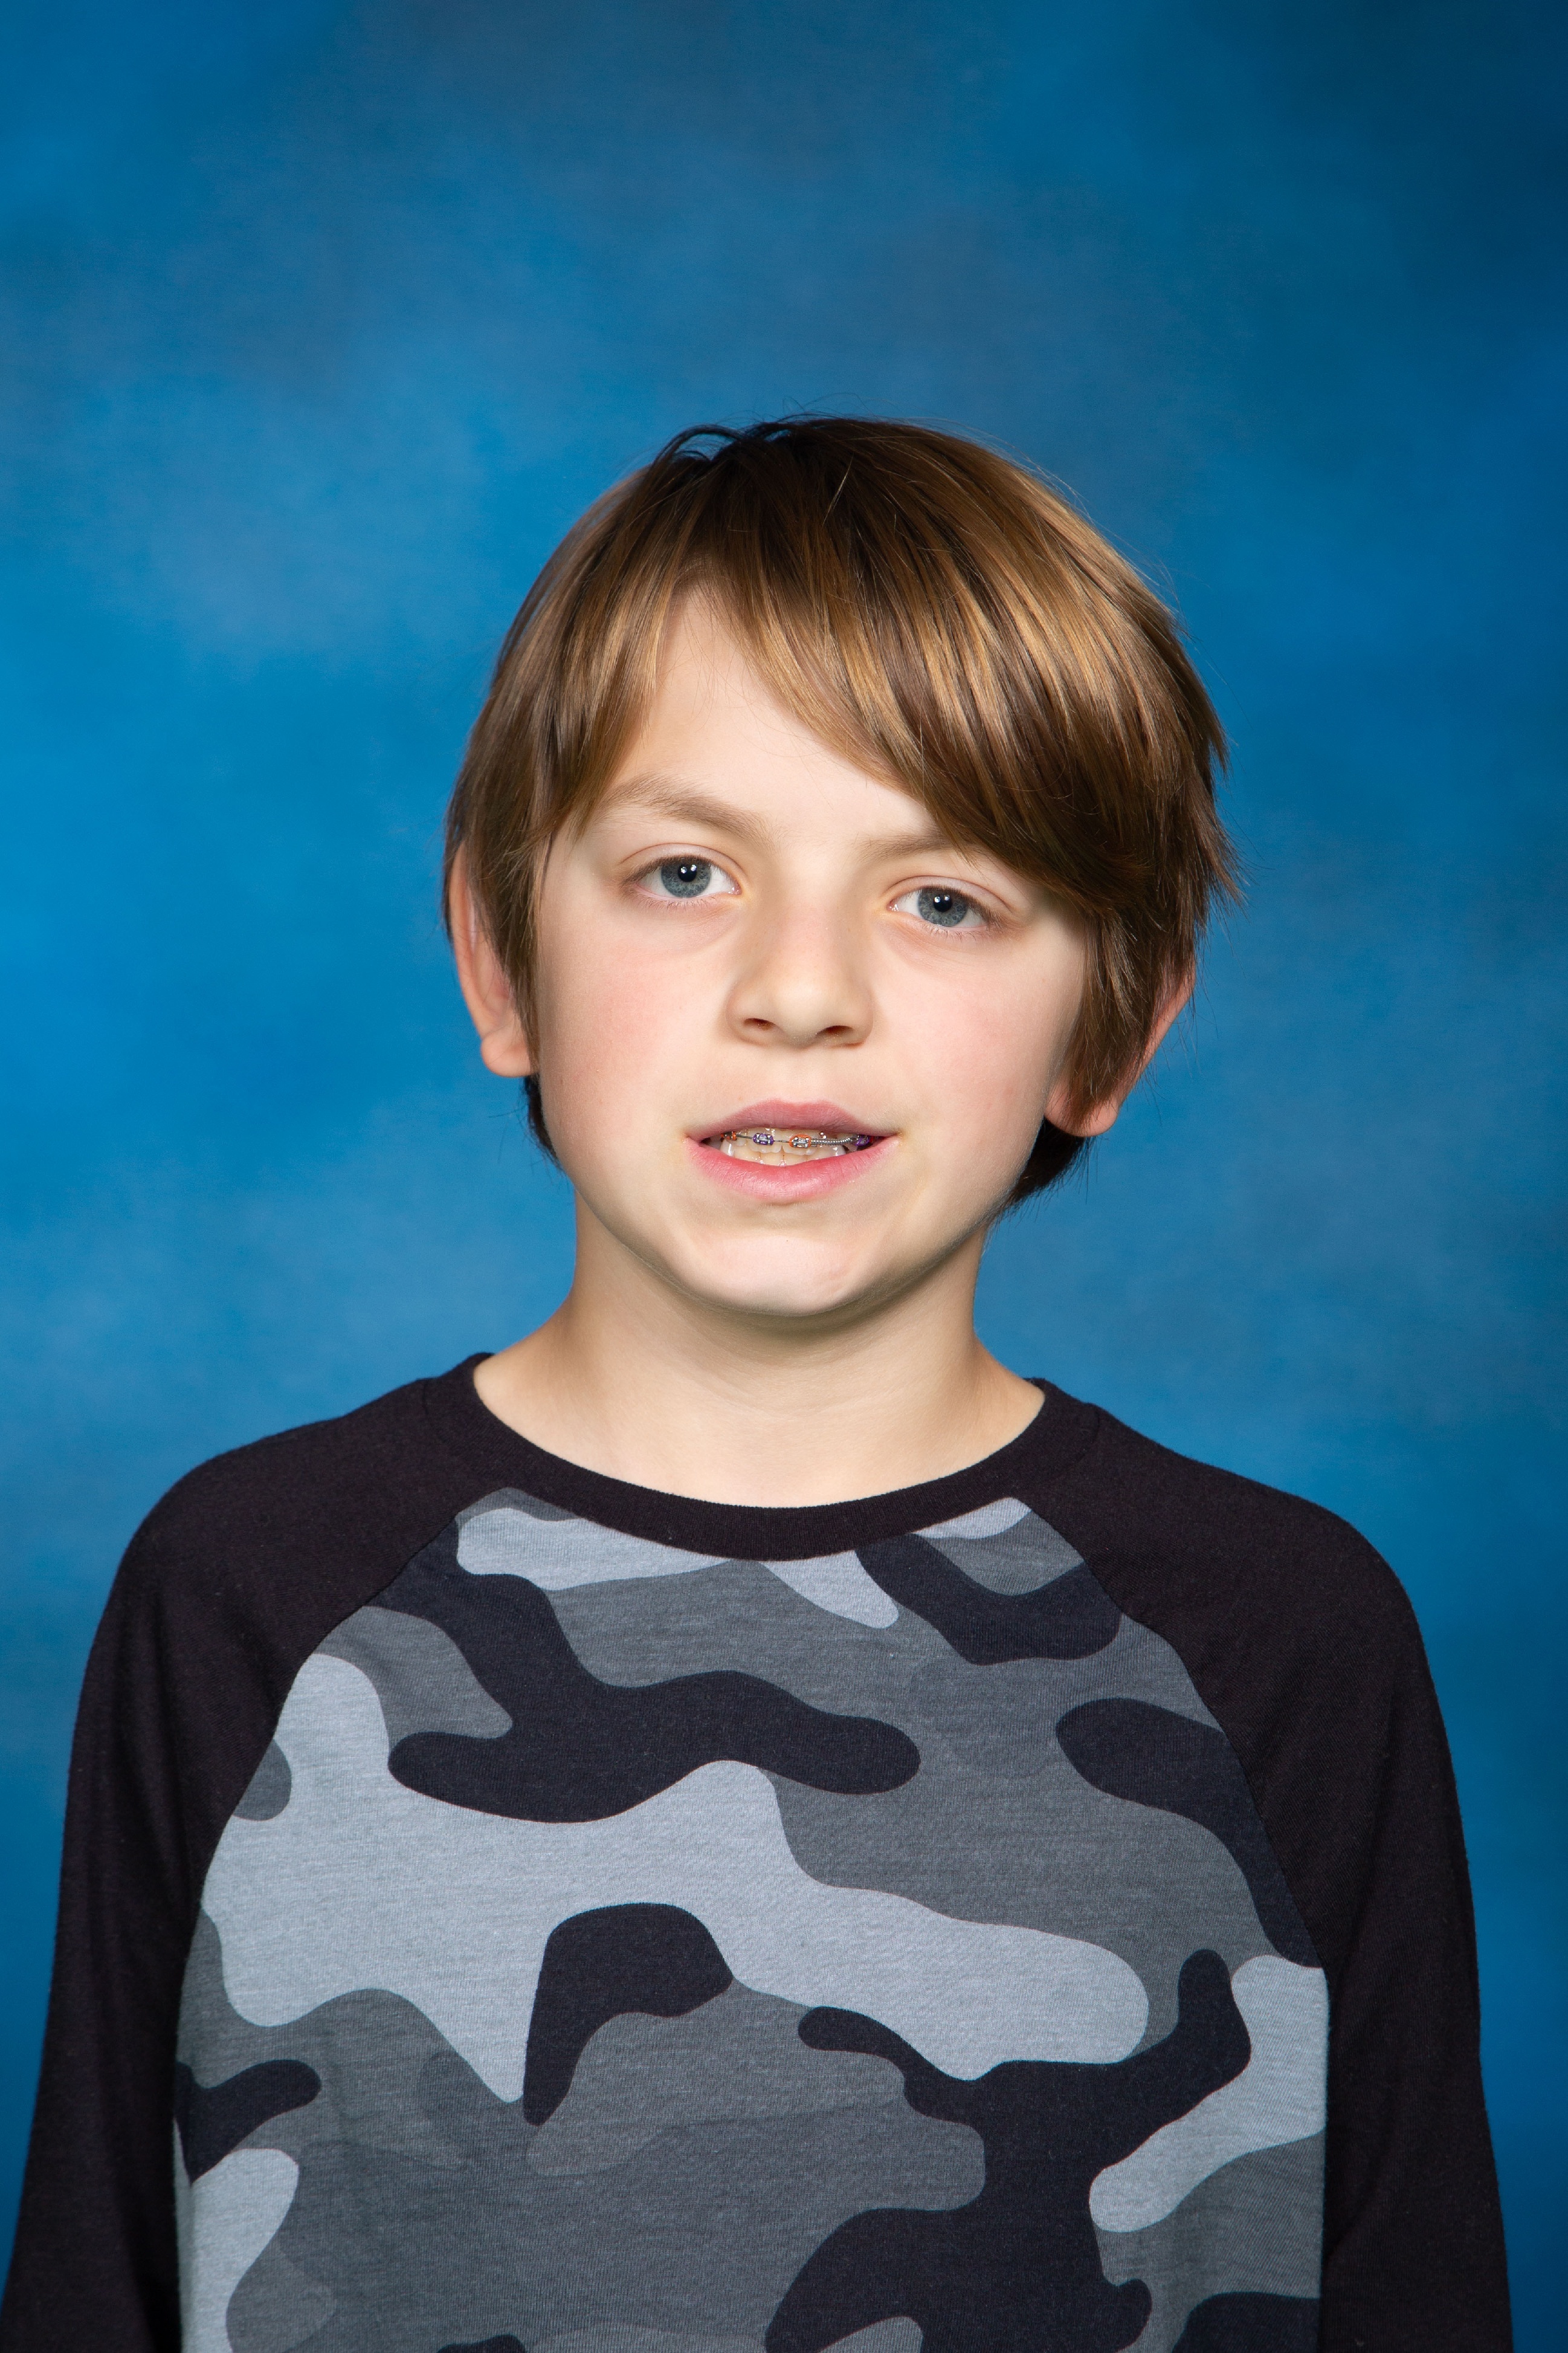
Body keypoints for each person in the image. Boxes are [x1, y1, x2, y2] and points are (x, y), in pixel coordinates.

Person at [1, 418, 1509, 2353]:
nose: (800, 988)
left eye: (941, 898)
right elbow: (95, 2285)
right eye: (686, 871)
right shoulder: (249, 1586)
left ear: (1111, 1023)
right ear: (499, 960)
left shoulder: (1284, 1635)